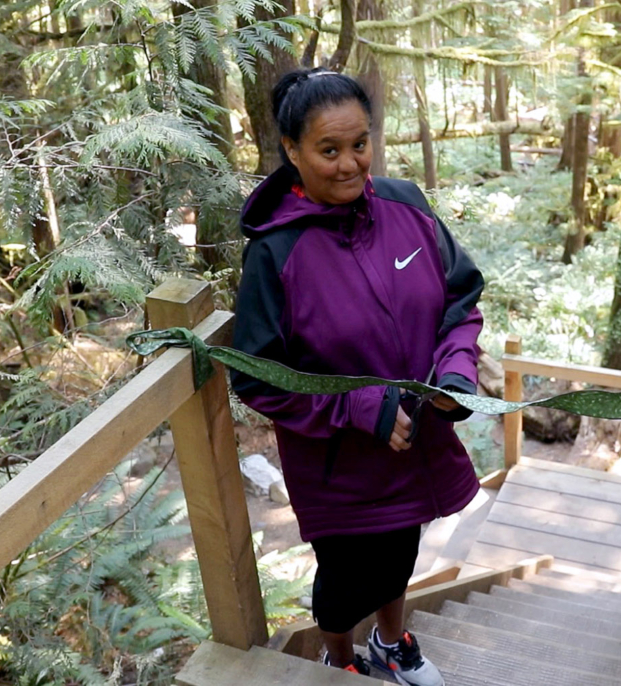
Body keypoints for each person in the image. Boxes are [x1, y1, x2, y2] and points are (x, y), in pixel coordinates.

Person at [230, 67, 484, 686]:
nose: (350, 164)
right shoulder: (275, 253)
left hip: (416, 442)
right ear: (292, 151)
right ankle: (339, 657)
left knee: (401, 553)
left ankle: (393, 645)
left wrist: (455, 372)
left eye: (360, 144)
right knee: (344, 584)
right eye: (329, 150)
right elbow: (258, 376)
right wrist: (358, 408)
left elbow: (460, 298)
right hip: (337, 461)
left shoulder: (408, 209)